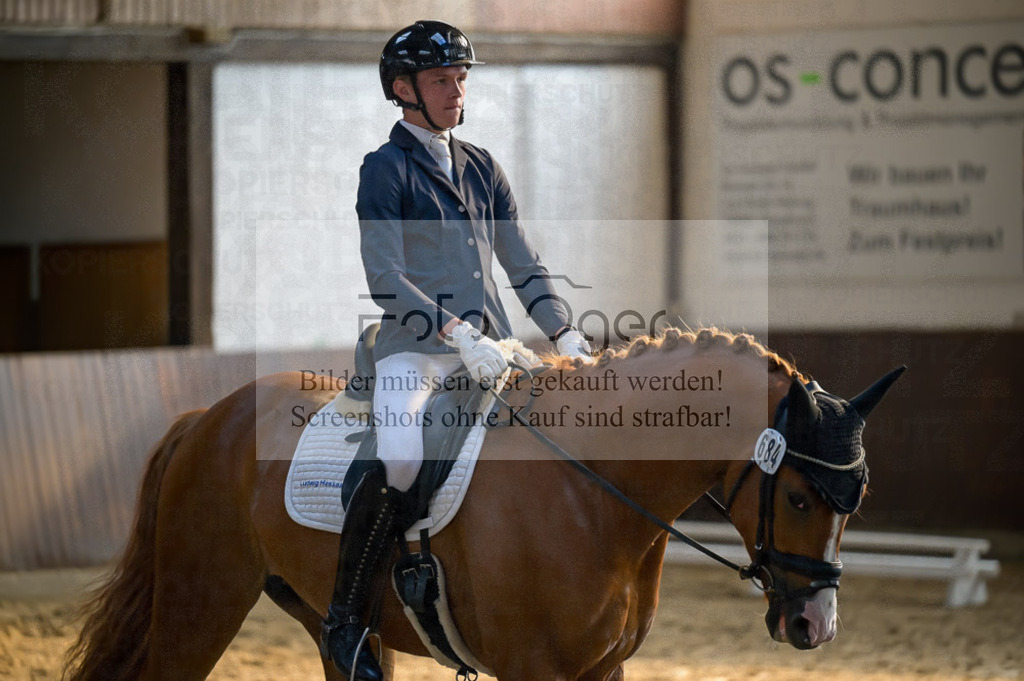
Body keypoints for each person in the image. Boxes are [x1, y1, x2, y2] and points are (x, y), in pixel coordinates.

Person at [320, 20, 592, 681]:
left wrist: (563, 331)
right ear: (403, 90)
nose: (457, 91)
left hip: (492, 349)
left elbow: (522, 263)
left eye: (461, 78)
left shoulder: (480, 166)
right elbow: (386, 276)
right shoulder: (384, 171)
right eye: (442, 80)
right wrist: (455, 332)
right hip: (415, 352)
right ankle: (347, 623)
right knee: (405, 457)